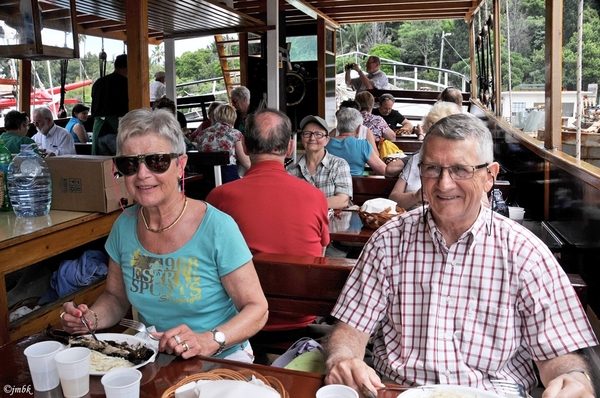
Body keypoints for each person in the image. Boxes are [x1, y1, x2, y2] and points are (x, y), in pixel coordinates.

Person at [324, 113, 598, 398]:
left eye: (460, 170)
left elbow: (559, 354)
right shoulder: (389, 241)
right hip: (400, 391)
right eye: (432, 169)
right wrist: (343, 359)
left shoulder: (525, 253)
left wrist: (573, 379)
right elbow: (351, 330)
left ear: (489, 176)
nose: (444, 184)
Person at [58, 108, 268, 363]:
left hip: (221, 357)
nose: (143, 174)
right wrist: (90, 318)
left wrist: (209, 340)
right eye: (130, 163)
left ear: (181, 165)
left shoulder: (217, 228)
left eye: (157, 161)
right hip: (153, 357)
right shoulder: (124, 226)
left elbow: (257, 309)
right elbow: (116, 297)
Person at [206, 108, 330, 360]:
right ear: (289, 148)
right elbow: (322, 252)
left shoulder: (218, 198)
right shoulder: (315, 197)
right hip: (300, 320)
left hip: (238, 323)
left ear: (244, 145)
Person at [389, 101, 462, 210]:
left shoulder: (465, 162)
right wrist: (416, 196)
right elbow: (393, 199)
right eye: (433, 134)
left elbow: (483, 204)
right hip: (414, 222)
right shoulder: (417, 159)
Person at [287, 115, 352, 210]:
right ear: (301, 138)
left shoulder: (339, 164)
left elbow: (342, 200)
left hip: (334, 223)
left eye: (318, 134)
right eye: (307, 133)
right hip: (305, 223)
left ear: (327, 140)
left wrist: (308, 205)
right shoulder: (291, 172)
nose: (312, 138)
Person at [326, 107, 404, 177]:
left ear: (338, 127)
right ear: (359, 128)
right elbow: (384, 171)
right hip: (355, 189)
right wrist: (405, 160)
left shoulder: (325, 143)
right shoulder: (363, 145)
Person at [194, 104, 251, 183]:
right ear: (233, 119)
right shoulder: (235, 134)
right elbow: (246, 163)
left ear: (215, 116)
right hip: (227, 178)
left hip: (205, 180)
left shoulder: (202, 134)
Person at [91, 53, 128, 155]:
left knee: (104, 167)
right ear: (128, 68)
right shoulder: (126, 83)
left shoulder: (98, 83)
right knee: (121, 166)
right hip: (116, 129)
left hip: (99, 131)